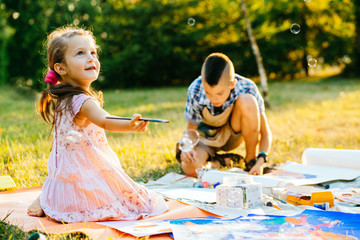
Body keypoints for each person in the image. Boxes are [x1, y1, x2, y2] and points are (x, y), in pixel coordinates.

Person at [27, 26, 168, 223]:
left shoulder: (64, 97)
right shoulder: (82, 101)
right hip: (81, 173)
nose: (91, 58)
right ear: (61, 68)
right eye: (80, 53)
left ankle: (48, 198)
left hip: (63, 175)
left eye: (93, 52)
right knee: (135, 202)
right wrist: (131, 124)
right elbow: (105, 120)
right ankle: (51, 200)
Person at [176, 53, 272, 176]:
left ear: (232, 84)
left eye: (220, 93)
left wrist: (261, 161)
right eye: (208, 93)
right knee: (189, 168)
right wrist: (188, 148)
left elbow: (265, 133)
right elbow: (191, 130)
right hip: (206, 139)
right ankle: (221, 162)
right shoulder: (195, 89)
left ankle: (250, 161)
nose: (213, 99)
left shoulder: (247, 87)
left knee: (248, 100)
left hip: (232, 134)